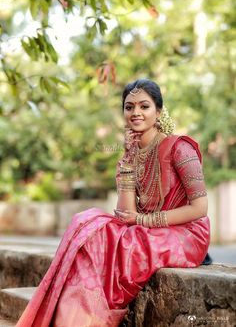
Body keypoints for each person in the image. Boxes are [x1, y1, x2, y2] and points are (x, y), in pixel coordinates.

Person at [16, 78, 210, 327]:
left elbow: (200, 209)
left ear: (158, 111)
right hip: (149, 230)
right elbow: (125, 214)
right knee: (87, 223)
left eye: (144, 106)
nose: (135, 113)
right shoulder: (131, 154)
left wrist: (143, 220)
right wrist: (128, 160)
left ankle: (87, 317)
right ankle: (78, 315)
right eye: (129, 107)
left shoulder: (180, 149)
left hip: (187, 233)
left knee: (124, 242)